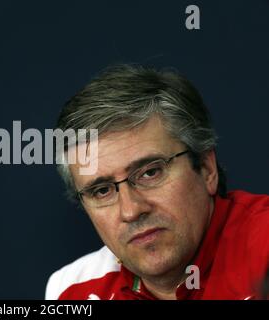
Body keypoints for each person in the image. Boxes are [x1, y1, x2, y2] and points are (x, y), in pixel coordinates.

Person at [45, 64, 269, 300]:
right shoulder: (71, 289)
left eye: (150, 173)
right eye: (102, 191)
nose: (131, 211)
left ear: (206, 168)